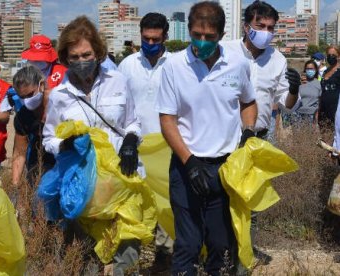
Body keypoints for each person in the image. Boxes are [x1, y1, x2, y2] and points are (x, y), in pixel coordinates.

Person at [156, 2, 257, 275]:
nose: (201, 42)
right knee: (187, 245)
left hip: (225, 168)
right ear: (189, 30)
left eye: (209, 37)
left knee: (221, 244)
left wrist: (248, 131)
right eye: (196, 35)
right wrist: (189, 163)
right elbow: (167, 121)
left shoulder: (237, 64)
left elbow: (248, 103)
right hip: (186, 166)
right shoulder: (174, 67)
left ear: (221, 35)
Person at [42, 16, 142, 275]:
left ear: (98, 52)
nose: (81, 61)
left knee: (127, 250)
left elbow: (132, 122)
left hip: (121, 179)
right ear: (65, 58)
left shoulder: (118, 81)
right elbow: (48, 139)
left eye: (86, 54)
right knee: (86, 254)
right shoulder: (59, 96)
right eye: (73, 56)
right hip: (82, 185)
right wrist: (65, 145)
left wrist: (131, 140)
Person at [118, 12, 173, 272]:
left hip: (166, 148)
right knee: (133, 206)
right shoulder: (127, 65)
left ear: (166, 36)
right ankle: (130, 263)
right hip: (134, 148)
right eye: (146, 38)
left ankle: (165, 260)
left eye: (156, 38)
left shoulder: (176, 64)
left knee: (166, 205)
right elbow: (120, 105)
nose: (150, 43)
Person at [222, 0, 300, 141]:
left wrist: (294, 91)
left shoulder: (278, 59)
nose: (266, 32)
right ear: (246, 27)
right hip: (226, 138)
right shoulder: (225, 51)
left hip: (260, 138)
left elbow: (287, 105)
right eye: (260, 26)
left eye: (270, 28)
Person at [11, 65, 55, 187]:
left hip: (64, 161)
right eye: (22, 97)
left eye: (30, 95)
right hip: (39, 164)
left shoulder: (59, 103)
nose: (26, 101)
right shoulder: (22, 116)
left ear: (41, 85)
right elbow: (19, 153)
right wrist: (15, 185)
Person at [281, 60, 321, 128]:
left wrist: (316, 118)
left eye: (311, 69)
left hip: (311, 116)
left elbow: (320, 102)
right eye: (307, 69)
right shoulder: (299, 82)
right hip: (298, 115)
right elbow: (291, 97)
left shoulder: (319, 84)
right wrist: (298, 84)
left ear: (316, 70)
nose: (309, 71)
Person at [319, 46, 340, 130]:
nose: (330, 57)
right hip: (324, 110)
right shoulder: (325, 71)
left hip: (336, 110)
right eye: (329, 55)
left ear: (338, 56)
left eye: (333, 55)